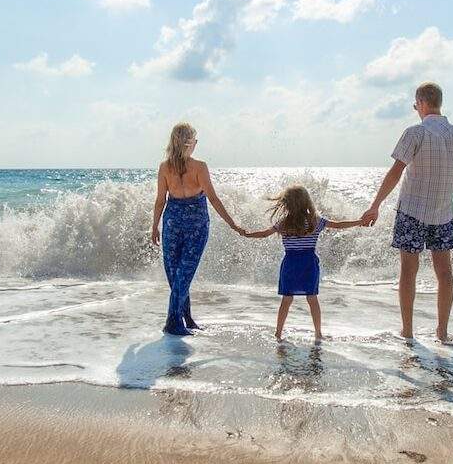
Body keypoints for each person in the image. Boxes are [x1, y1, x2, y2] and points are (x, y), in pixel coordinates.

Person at [361, 82, 453, 342]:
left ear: (421, 103)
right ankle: (442, 332)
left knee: (408, 272)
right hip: (444, 214)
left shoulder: (415, 133)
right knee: (444, 273)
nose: (416, 109)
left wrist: (375, 205)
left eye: (415, 105)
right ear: (439, 102)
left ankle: (408, 331)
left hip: (411, 211)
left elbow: (395, 172)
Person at [151, 123, 244, 336]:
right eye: (195, 139)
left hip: (173, 222)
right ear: (189, 143)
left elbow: (160, 201)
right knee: (180, 275)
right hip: (194, 224)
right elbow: (212, 198)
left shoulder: (165, 167)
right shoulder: (199, 167)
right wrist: (233, 223)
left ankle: (186, 318)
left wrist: (155, 226)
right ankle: (173, 322)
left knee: (179, 275)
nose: (196, 143)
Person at [245, 185, 363, 341]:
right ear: (307, 202)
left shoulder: (283, 223)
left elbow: (264, 234)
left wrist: (245, 233)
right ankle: (318, 333)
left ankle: (278, 333)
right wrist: (359, 222)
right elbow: (339, 225)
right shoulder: (315, 221)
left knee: (286, 300)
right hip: (308, 264)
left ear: (287, 203)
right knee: (312, 299)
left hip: (290, 264)